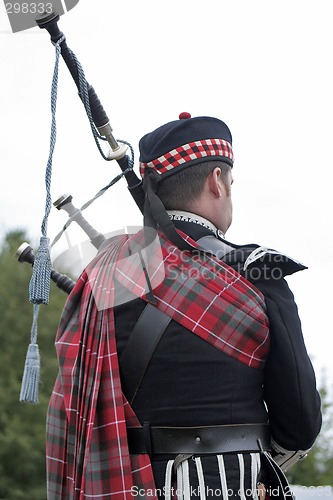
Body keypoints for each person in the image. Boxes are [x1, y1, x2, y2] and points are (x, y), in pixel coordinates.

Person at [46, 113, 322, 499]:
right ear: (216, 182)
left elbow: (80, 412)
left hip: (120, 487)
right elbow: (300, 428)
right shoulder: (259, 274)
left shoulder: (102, 278)